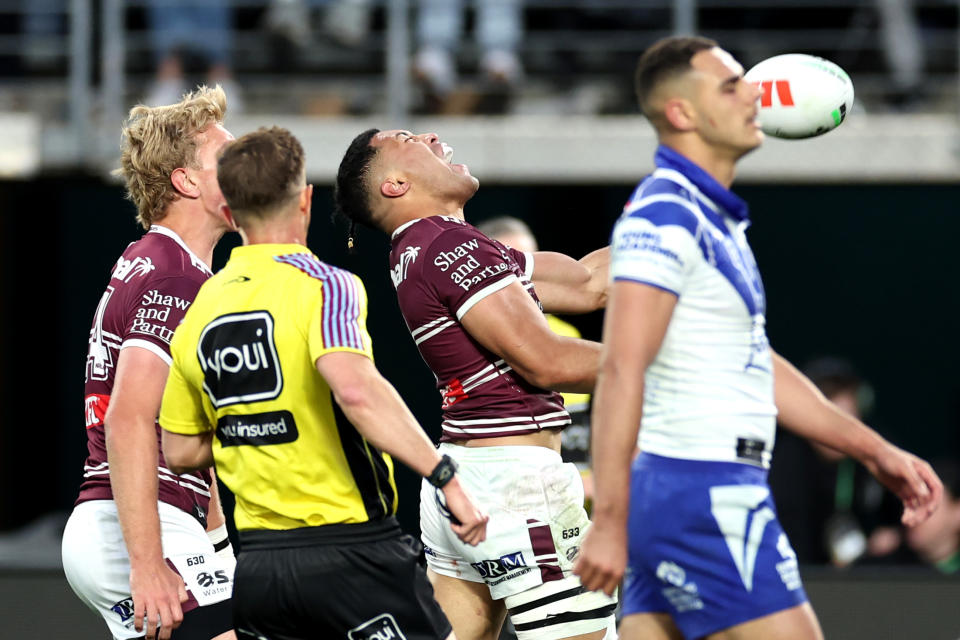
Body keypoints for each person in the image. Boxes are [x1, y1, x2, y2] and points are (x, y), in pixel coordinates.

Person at [572, 35, 943, 640]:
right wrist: (609, 519)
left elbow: (755, 364)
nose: (754, 93)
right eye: (730, 84)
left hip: (691, 493)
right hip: (703, 493)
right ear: (681, 113)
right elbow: (619, 368)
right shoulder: (665, 214)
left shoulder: (712, 218)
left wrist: (874, 451)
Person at [158, 126, 488, 640]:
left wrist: (256, 428)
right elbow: (356, 390)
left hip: (262, 569)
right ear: (306, 201)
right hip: (351, 551)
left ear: (229, 213)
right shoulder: (326, 285)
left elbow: (178, 450)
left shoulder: (200, 311)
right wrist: (444, 474)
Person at [333, 128, 616, 640]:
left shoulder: (431, 245)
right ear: (395, 184)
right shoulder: (448, 244)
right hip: (518, 487)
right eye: (408, 138)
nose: (431, 135)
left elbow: (587, 282)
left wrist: (671, 230)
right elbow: (546, 361)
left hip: (465, 478)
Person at [61, 86, 237, 640]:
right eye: (226, 160)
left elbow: (182, 424)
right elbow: (129, 418)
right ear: (186, 181)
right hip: (135, 524)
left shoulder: (160, 261)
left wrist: (219, 546)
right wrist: (145, 563)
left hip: (156, 520)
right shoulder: (174, 277)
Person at [475, 216, 595, 507]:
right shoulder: (474, 334)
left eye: (525, 261)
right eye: (507, 261)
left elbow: (579, 422)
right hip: (511, 497)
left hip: (575, 496)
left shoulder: (567, 333)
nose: (518, 273)